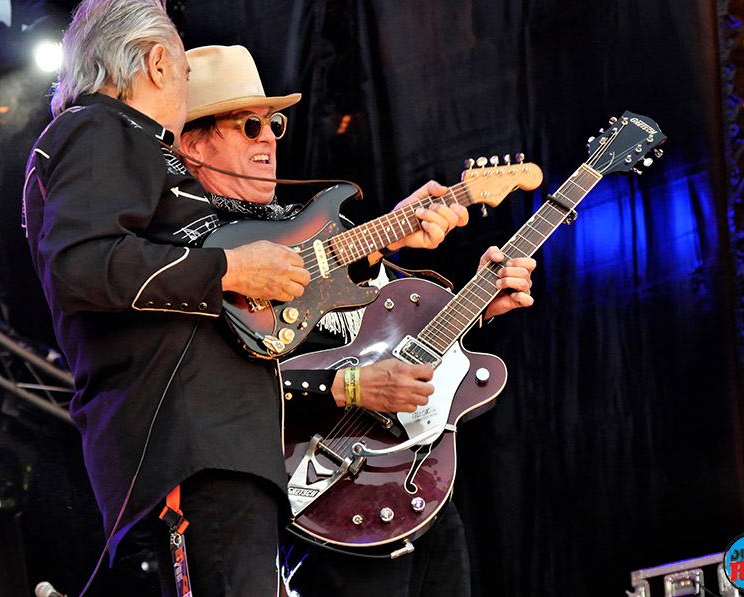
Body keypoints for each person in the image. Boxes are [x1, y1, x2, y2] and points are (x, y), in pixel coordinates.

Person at [178, 45, 537, 596]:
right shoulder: (195, 251)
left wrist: (478, 303)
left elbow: (398, 338)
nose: (270, 137)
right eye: (249, 125)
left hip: (413, 475)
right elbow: (211, 384)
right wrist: (346, 386)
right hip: (315, 488)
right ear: (193, 145)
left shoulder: (320, 226)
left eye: (273, 123)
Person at [23, 3, 316, 596]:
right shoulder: (103, 127)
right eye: (184, 71)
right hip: (190, 447)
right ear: (159, 63)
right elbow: (81, 265)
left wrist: (394, 230)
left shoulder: (126, 144)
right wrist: (228, 268)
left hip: (208, 446)